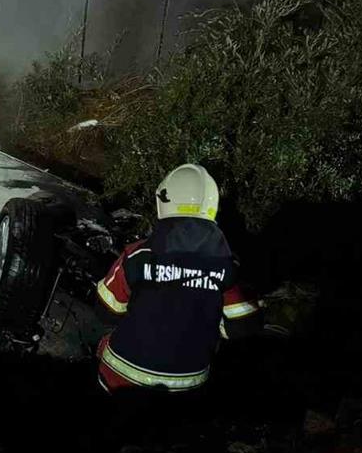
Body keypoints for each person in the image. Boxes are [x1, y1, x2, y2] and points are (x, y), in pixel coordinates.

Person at [94, 164, 261, 393]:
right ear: (211, 207)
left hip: (121, 377)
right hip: (187, 386)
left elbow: (105, 311)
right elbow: (242, 327)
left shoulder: (137, 255)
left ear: (163, 202)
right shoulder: (227, 265)